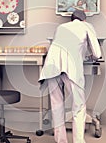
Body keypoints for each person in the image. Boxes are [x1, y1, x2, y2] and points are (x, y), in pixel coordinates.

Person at [39, 9, 101, 143]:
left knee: (56, 105)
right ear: (84, 19)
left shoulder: (61, 27)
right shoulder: (86, 26)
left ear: (71, 19)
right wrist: (90, 54)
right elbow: (97, 53)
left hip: (51, 67)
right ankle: (78, 141)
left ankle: (61, 140)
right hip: (70, 68)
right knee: (78, 106)